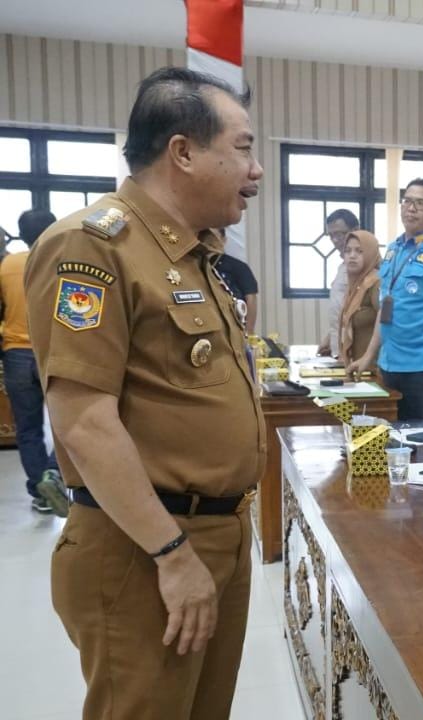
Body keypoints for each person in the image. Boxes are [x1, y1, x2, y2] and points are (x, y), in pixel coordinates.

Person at [25, 66, 265, 720]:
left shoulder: (196, 257)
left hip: (216, 534)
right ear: (183, 152)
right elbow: (83, 420)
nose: (257, 168)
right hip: (144, 547)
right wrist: (170, 552)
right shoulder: (93, 246)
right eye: (242, 148)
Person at [345, 179, 423, 421]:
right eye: (407, 201)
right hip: (388, 365)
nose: (411, 208)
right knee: (391, 441)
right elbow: (385, 309)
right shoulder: (394, 249)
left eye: (420, 203)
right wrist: (368, 356)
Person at [2, 209, 65, 515]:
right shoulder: (64, 261)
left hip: (16, 355)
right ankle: (55, 473)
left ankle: (39, 490)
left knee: (27, 429)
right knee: (69, 419)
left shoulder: (8, 265)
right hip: (56, 351)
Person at [317, 208, 360, 357]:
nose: (335, 240)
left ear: (355, 230)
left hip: (356, 350)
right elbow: (341, 309)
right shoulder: (342, 267)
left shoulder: (364, 266)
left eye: (340, 234)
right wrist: (329, 338)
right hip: (338, 347)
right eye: (331, 235)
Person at [337, 230, 382, 367]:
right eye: (348, 251)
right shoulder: (355, 284)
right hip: (357, 367)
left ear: (370, 253)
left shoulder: (376, 282)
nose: (352, 256)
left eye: (359, 251)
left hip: (375, 369)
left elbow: (386, 320)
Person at [209, 228, 259, 335]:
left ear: (224, 240)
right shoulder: (194, 266)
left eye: (214, 237)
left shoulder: (239, 267)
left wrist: (249, 331)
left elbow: (251, 298)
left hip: (234, 326)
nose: (210, 241)